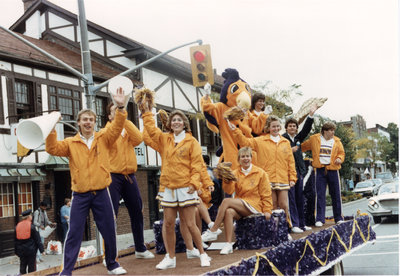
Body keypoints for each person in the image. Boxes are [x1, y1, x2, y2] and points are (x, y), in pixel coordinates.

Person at [45, 90, 128, 275]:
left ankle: (112, 264)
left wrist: (121, 107)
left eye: (91, 119)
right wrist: (51, 127)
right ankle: (66, 271)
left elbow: (117, 126)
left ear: (95, 122)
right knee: (73, 233)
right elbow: (51, 148)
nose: (88, 122)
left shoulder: (104, 137)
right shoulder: (70, 143)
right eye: (84, 120)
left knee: (109, 229)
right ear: (79, 123)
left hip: (101, 192)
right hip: (80, 194)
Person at [140, 101, 211, 270]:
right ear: (170, 123)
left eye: (179, 120)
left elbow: (196, 164)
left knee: (190, 224)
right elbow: (151, 130)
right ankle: (170, 257)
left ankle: (202, 253)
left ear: (184, 123)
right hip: (168, 187)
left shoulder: (191, 141)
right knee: (168, 224)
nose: (176, 122)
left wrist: (195, 183)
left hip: (186, 187)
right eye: (173, 120)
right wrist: (147, 113)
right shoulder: (165, 139)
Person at [105, 102, 154, 259]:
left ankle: (140, 248)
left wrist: (123, 117)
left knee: (137, 211)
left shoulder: (127, 131)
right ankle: (110, 255)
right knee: (111, 215)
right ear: (109, 116)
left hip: (130, 175)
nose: (119, 112)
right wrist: (120, 121)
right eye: (115, 111)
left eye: (121, 111)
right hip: (113, 176)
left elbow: (139, 138)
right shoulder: (107, 131)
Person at [228, 115, 297, 228]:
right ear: (268, 128)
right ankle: (274, 229)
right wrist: (235, 130)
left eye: (277, 126)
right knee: (272, 205)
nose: (275, 128)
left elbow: (290, 161)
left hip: (282, 178)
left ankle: (286, 227)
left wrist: (292, 177)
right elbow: (245, 142)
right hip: (267, 178)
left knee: (284, 205)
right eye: (273, 126)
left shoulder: (286, 142)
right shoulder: (260, 140)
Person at [201, 147, 272, 254]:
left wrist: (267, 209)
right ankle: (228, 243)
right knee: (229, 212)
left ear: (251, 158)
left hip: (256, 205)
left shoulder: (260, 173)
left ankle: (214, 229)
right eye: (243, 156)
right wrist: (227, 179)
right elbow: (229, 190)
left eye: (247, 156)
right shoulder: (235, 173)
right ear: (239, 159)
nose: (245, 159)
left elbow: (266, 193)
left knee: (226, 202)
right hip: (241, 204)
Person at [301, 121, 345, 226]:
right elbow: (303, 147)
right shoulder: (314, 139)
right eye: (330, 130)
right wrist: (295, 146)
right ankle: (320, 219)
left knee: (336, 194)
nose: (333, 132)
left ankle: (338, 217)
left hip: (333, 169)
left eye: (333, 130)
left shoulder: (337, 141)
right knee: (320, 195)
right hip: (320, 170)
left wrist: (339, 158)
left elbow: (341, 153)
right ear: (324, 131)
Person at [282, 104, 317, 233]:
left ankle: (302, 224)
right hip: (288, 172)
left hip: (299, 172)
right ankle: (294, 224)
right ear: (286, 128)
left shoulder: (297, 139)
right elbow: (279, 154)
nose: (292, 128)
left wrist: (311, 115)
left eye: (294, 126)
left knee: (300, 197)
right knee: (291, 198)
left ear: (296, 128)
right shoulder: (283, 139)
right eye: (290, 126)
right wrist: (289, 151)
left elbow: (306, 130)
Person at [15, 209, 44, 275]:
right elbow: (38, 239)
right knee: (32, 268)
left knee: (23, 266)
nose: (32, 216)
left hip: (21, 251)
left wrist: (16, 252)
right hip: (31, 251)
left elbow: (15, 241)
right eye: (31, 215)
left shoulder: (17, 226)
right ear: (28, 217)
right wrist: (42, 250)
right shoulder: (32, 227)